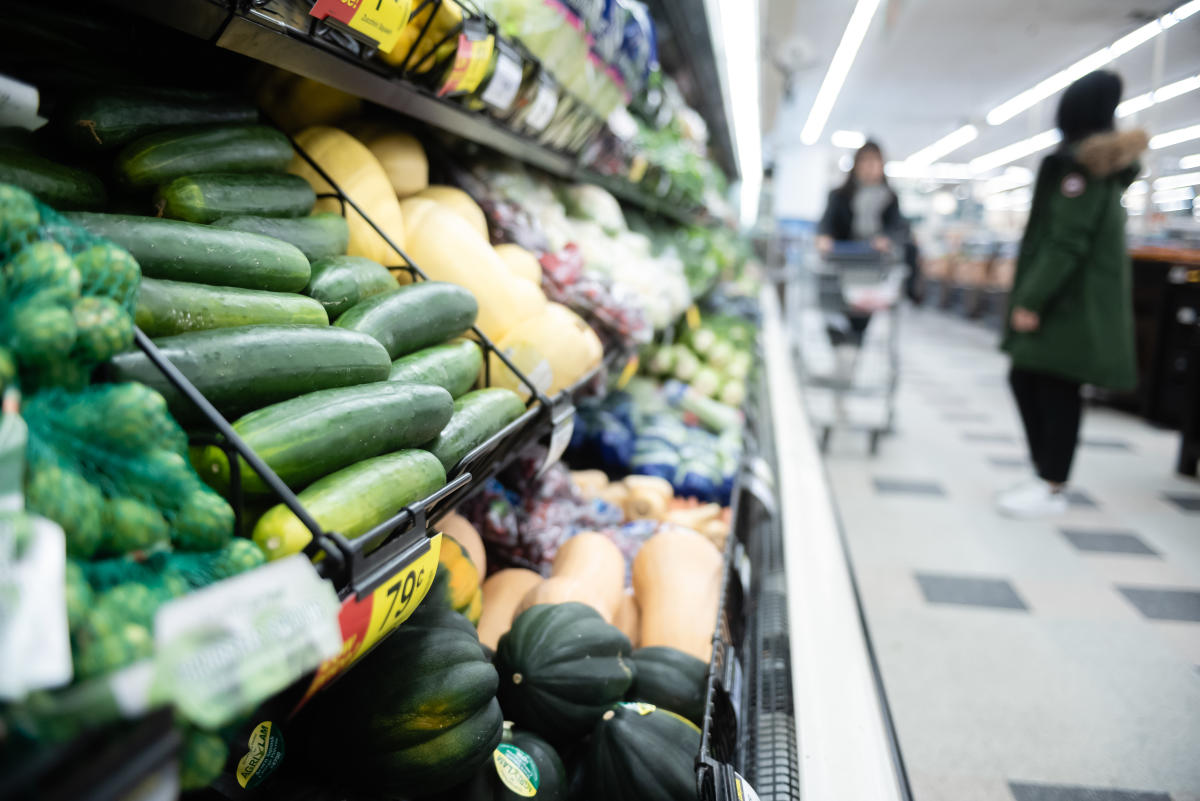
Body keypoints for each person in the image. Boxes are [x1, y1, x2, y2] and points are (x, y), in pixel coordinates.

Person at [996, 70, 1147, 518]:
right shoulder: (1096, 168)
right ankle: (1046, 475)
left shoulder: (1081, 170)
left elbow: (1066, 242)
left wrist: (1031, 298)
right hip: (1075, 301)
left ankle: (1051, 485)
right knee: (1033, 379)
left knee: (1050, 385)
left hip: (1068, 303)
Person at [817, 141, 907, 256]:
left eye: (874, 160)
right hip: (844, 256)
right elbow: (826, 223)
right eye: (864, 160)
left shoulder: (891, 197)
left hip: (879, 257)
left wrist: (887, 238)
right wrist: (824, 237)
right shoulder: (839, 195)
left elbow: (897, 226)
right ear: (856, 165)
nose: (869, 165)